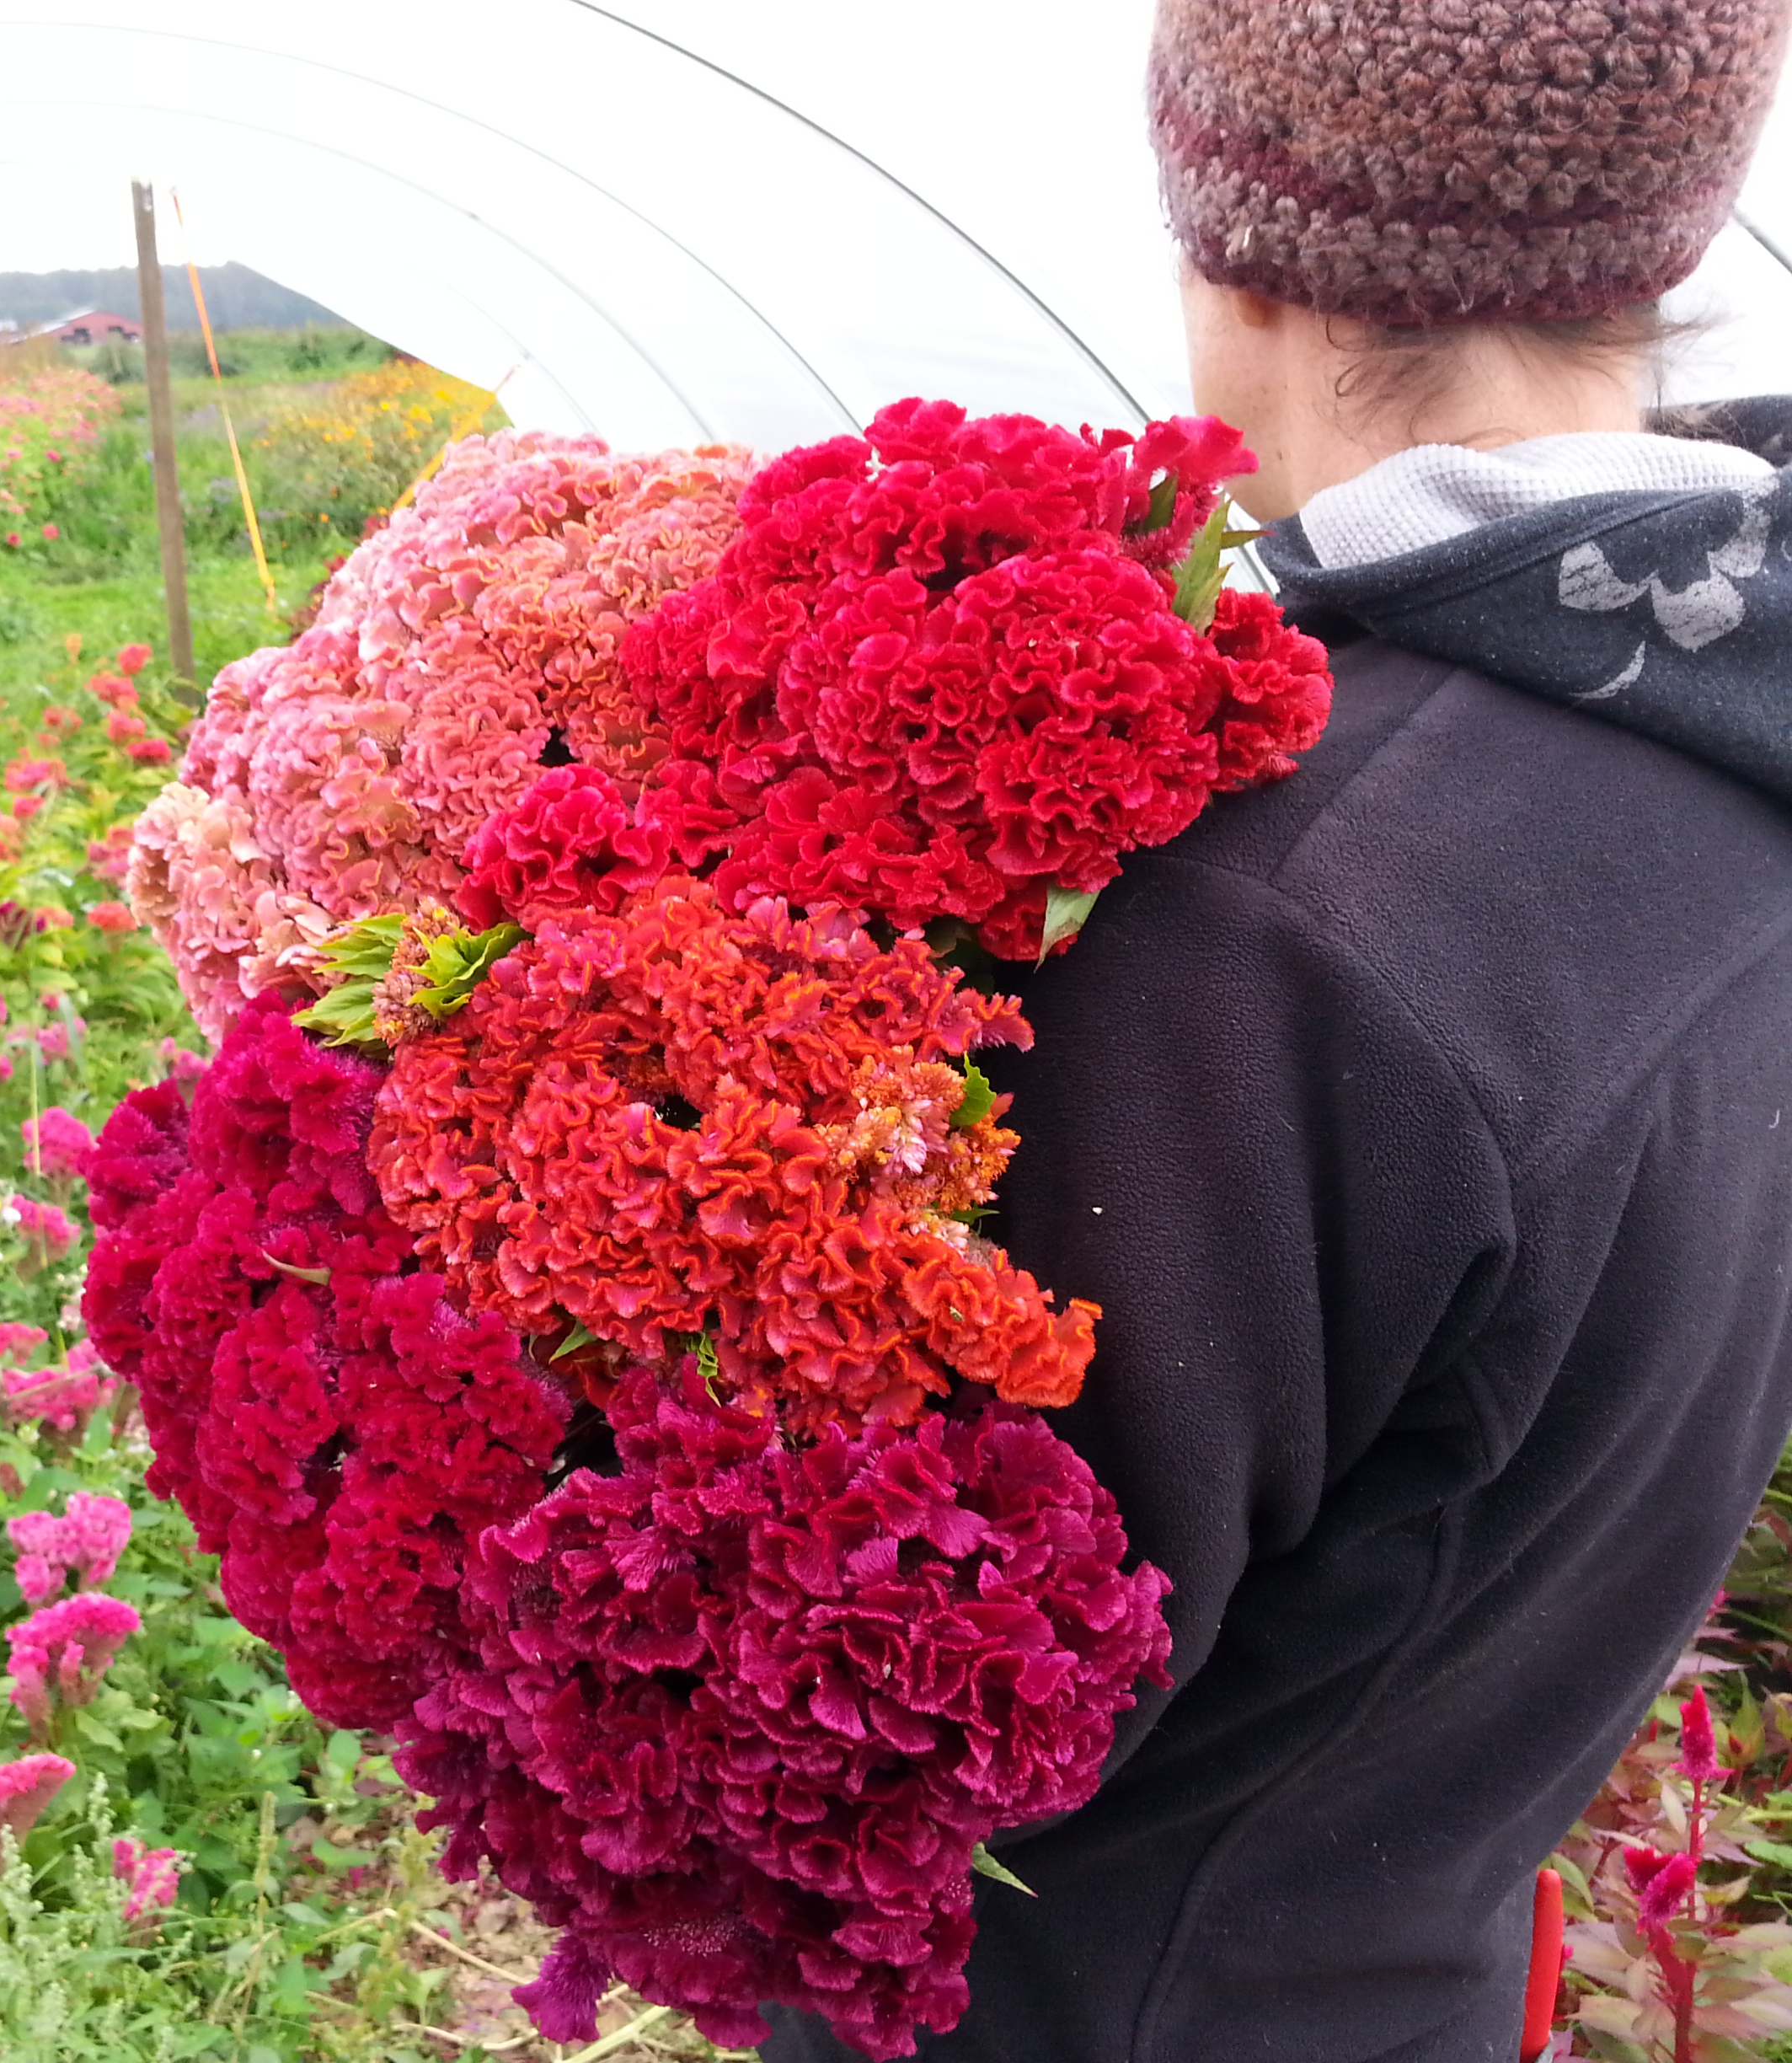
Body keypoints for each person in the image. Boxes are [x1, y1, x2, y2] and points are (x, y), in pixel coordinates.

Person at [759, 3, 1792, 2058]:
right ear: (1667, 246)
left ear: (1230, 248)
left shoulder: (1286, 933)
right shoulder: (1723, 744)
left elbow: (941, 1675)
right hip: (1405, 1955)